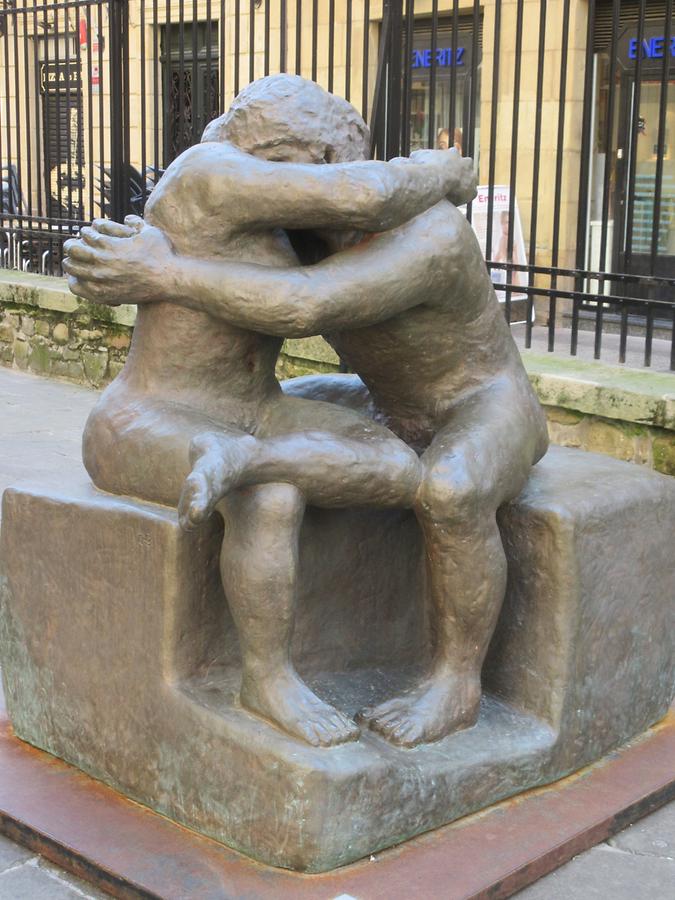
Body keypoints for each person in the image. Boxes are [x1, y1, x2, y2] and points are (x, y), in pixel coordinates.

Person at [63, 75, 476, 749]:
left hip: (250, 413)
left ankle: (246, 459)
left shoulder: (263, 199)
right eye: (328, 161)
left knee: (399, 467)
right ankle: (266, 677)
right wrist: (438, 171)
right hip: (147, 421)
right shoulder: (210, 174)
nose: (329, 179)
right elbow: (367, 197)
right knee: (268, 498)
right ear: (304, 150)